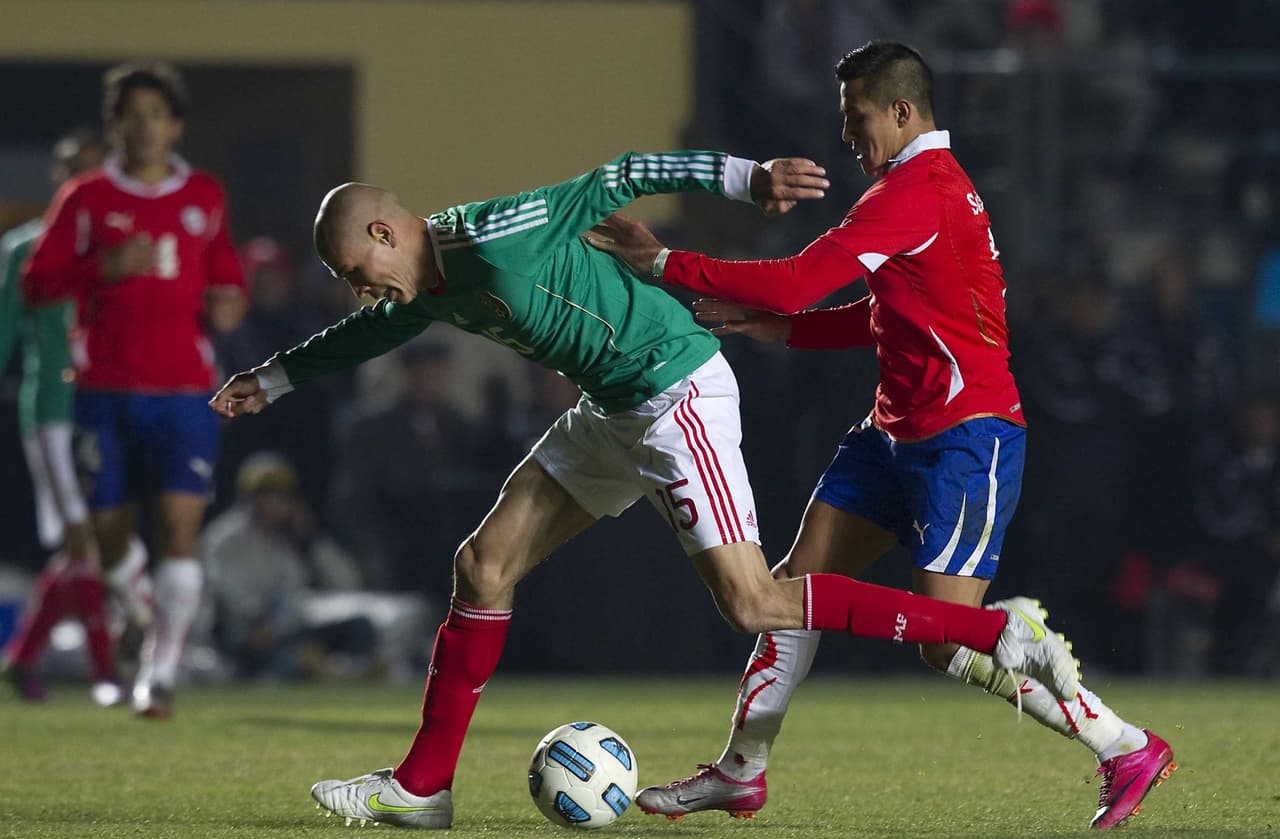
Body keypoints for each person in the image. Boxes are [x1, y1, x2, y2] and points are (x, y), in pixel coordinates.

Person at [209, 149, 1080, 829]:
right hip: (612, 408)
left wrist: (749, 179)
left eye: (357, 268)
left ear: (390, 233)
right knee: (482, 567)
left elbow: (618, 175)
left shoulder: (487, 236)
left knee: (753, 603)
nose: (361, 289)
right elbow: (375, 328)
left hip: (676, 390)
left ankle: (992, 630)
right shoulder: (421, 286)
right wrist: (275, 378)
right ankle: (423, 786)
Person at [586, 40, 1175, 830]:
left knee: (949, 642)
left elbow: (798, 277)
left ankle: (1123, 743)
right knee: (788, 589)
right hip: (891, 429)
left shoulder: (916, 192)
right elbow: (888, 313)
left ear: (901, 112)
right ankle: (741, 770)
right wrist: (782, 332)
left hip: (966, 437)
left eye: (855, 118)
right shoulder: (921, 189)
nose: (846, 137)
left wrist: (667, 263)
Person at [22, 61, 246, 718]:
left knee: (180, 529)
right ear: (114, 125)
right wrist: (103, 266)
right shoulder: (85, 197)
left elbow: (225, 274)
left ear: (175, 124)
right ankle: (144, 614)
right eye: (132, 114)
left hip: (183, 391)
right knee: (108, 536)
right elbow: (37, 283)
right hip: (103, 388)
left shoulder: (204, 194)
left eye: (157, 114)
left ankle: (160, 673)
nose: (144, 126)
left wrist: (231, 300)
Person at [0, 127, 122, 704]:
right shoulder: (25, 246)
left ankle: (22, 657)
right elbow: (4, 330)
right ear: (60, 176)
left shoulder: (116, 249)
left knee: (89, 538)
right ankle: (106, 673)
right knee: (81, 537)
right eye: (75, 167)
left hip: (101, 404)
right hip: (49, 407)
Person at [202, 451, 373, 681]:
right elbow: (226, 596)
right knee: (290, 661)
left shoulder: (291, 537)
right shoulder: (223, 539)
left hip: (290, 630)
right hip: (245, 635)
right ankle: (329, 671)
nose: (275, 502)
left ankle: (339, 669)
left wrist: (311, 541)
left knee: (360, 628)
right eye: (267, 494)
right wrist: (261, 623)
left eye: (282, 495)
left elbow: (347, 582)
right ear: (249, 497)